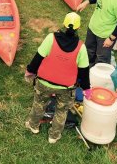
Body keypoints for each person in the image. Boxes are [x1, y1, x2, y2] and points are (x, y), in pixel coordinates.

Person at [24, 13, 91, 143]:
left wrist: (30, 71)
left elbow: (38, 57)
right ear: (78, 28)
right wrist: (86, 88)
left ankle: (33, 126)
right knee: (61, 110)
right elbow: (84, 71)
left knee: (39, 103)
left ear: (64, 24)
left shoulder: (51, 38)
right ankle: (53, 136)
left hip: (44, 82)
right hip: (66, 87)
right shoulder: (81, 47)